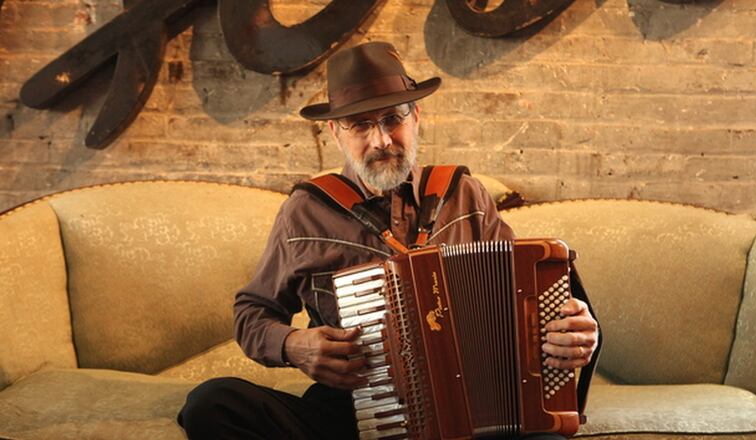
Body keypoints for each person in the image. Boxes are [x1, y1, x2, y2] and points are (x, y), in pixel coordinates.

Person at [178, 41, 599, 440]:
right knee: (212, 405)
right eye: (360, 124)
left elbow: (524, 294)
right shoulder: (305, 211)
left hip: (474, 406)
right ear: (334, 132)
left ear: (416, 117)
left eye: (393, 119)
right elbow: (252, 312)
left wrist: (571, 328)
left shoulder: (464, 195)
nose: (381, 140)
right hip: (353, 409)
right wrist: (294, 345)